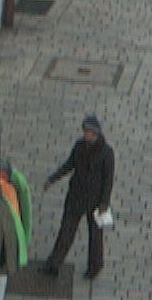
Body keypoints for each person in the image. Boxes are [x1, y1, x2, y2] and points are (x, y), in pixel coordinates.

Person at [40, 114, 114, 279]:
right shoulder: (79, 146)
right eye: (85, 131)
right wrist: (52, 179)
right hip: (75, 196)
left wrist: (104, 203)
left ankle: (95, 267)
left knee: (95, 236)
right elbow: (69, 165)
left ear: (95, 133)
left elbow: (108, 179)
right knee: (66, 231)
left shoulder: (107, 153)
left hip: (95, 201)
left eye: (89, 132)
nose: (86, 135)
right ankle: (54, 264)